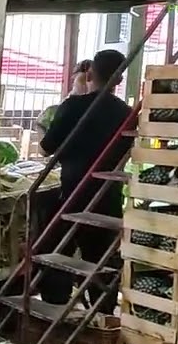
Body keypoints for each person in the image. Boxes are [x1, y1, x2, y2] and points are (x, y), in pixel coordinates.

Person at [36, 49, 135, 306]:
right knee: (102, 260)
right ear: (120, 80)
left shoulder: (72, 106)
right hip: (107, 197)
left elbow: (45, 148)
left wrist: (75, 94)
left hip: (72, 194)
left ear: (89, 73)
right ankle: (102, 316)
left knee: (57, 252)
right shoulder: (127, 114)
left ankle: (54, 306)